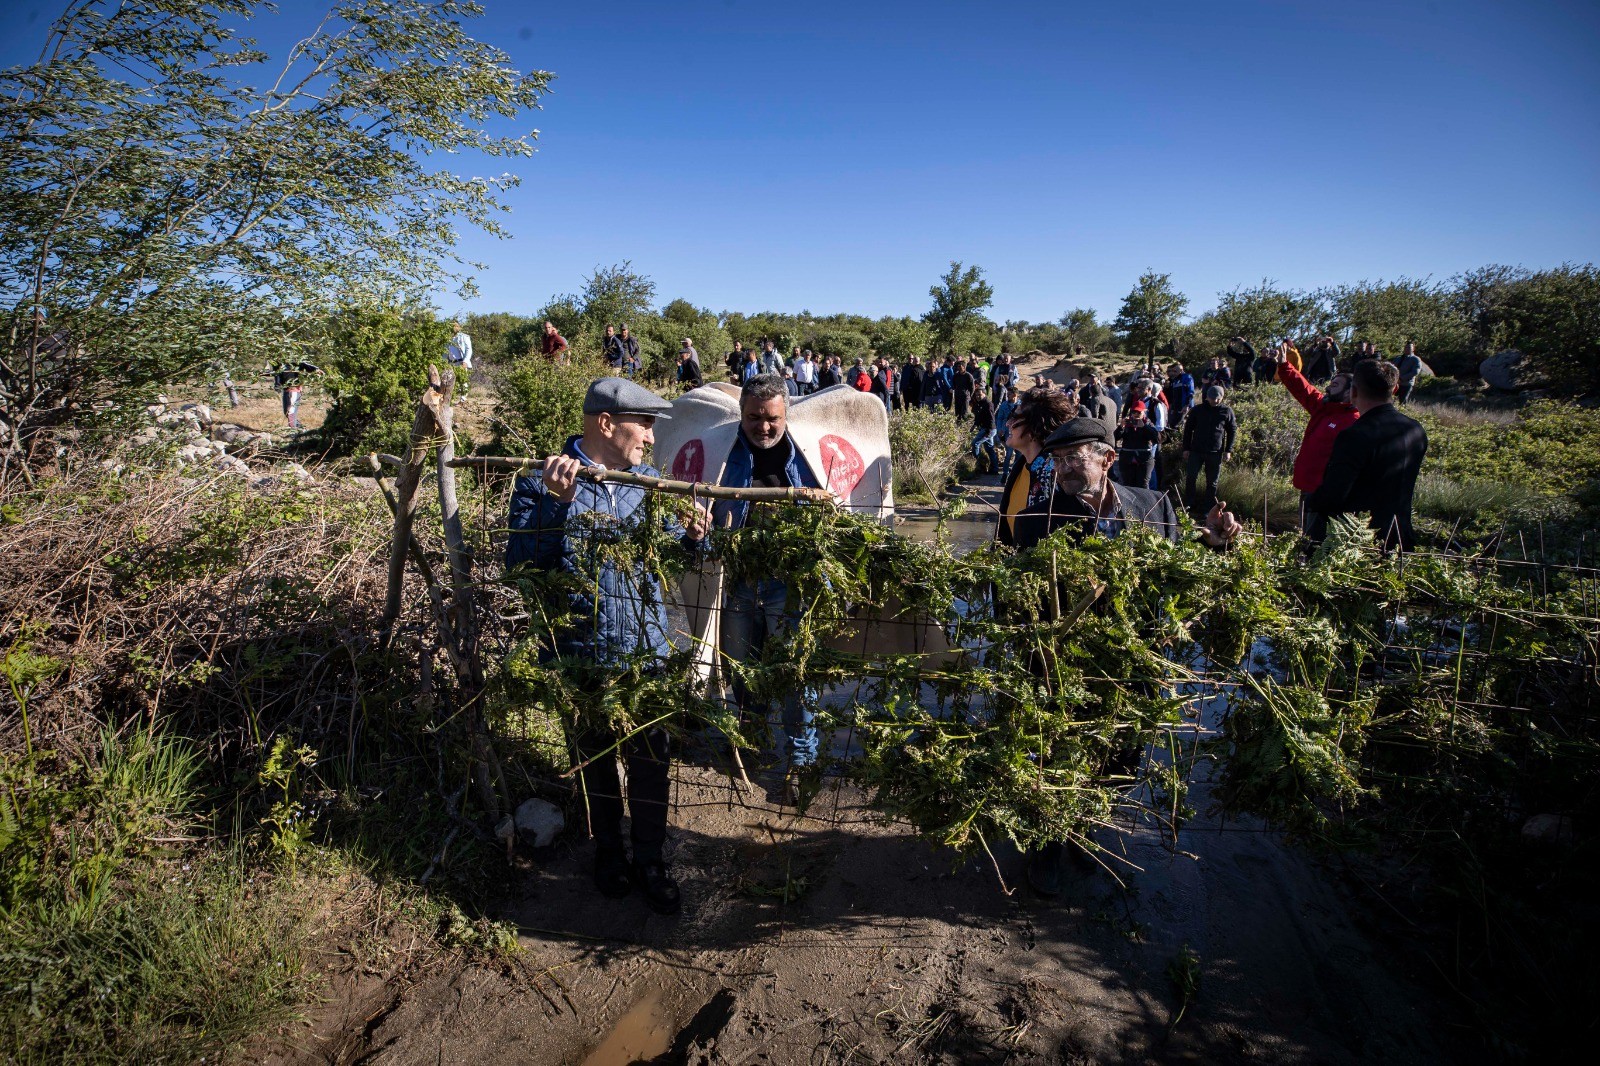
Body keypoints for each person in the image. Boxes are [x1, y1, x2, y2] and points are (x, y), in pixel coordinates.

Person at [1008, 416, 1241, 895]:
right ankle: (1046, 843)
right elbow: (1020, 602)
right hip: (1067, 667)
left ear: (1108, 459)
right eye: (1057, 460)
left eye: (1074, 459)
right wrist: (1037, 653)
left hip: (1135, 664)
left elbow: (1179, 571)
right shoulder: (1036, 522)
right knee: (1057, 754)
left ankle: (1082, 828)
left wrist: (1215, 544)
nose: (1063, 469)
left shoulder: (1154, 505)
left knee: (1119, 757)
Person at [505, 377, 711, 914]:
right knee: (594, 763)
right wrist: (559, 506)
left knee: (651, 762)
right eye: (644, 425)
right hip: (581, 654)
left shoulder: (649, 484)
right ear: (606, 424)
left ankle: (651, 860)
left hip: (647, 651)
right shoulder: (537, 484)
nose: (651, 437)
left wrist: (694, 537)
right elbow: (523, 568)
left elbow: (671, 557)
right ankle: (608, 854)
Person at [716, 375, 825, 802]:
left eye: (772, 418)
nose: (763, 427)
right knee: (743, 667)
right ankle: (753, 740)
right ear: (741, 414)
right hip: (739, 580)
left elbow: (838, 506)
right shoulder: (725, 453)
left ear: (786, 415)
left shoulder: (807, 454)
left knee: (795, 673)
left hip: (790, 583)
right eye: (754, 417)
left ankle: (800, 759)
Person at [1307, 359, 1428, 551]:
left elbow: (1335, 493)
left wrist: (1313, 502)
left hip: (1358, 539)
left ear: (1353, 392)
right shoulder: (1416, 430)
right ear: (1395, 389)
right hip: (1398, 535)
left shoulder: (1355, 435)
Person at [1269, 346, 1359, 541]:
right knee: (1306, 535)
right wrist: (1284, 365)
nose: (1328, 387)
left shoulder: (1354, 420)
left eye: (1335, 385)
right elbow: (1303, 389)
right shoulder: (1324, 408)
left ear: (1350, 393)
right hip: (1309, 487)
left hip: (1327, 493)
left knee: (1319, 539)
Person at [996, 386, 1078, 547]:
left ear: (1036, 426)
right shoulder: (1023, 465)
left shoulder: (1054, 473)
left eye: (1015, 417)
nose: (1008, 423)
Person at [1181, 385, 1236, 513]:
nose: (1215, 401)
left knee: (1212, 482)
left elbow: (1232, 431)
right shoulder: (1197, 410)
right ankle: (1188, 505)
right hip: (1196, 450)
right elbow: (1188, 430)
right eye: (1212, 398)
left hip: (1215, 452)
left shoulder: (1226, 411)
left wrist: (1228, 450)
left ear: (1222, 398)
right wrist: (1186, 448)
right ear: (1207, 397)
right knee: (1191, 478)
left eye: (1218, 399)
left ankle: (1208, 509)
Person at [1113, 402, 1161, 491]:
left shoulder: (1148, 423)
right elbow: (1115, 438)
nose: (1136, 414)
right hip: (1127, 459)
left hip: (1144, 459)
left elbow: (1157, 439)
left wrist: (1144, 427)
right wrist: (1121, 427)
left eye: (1138, 412)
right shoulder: (1127, 424)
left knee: (1143, 485)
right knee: (1128, 486)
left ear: (1144, 412)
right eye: (1134, 412)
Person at [272, 358, 320, 430]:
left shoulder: (295, 361)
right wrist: (277, 385)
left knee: (290, 411)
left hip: (294, 389)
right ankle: (298, 427)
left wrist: (316, 369)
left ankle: (293, 429)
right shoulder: (278, 363)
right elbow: (276, 374)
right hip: (286, 389)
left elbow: (305, 365)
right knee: (286, 411)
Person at [994, 385, 1020, 480]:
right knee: (1009, 453)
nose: (1007, 395)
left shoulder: (1022, 405)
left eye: (1009, 394)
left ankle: (1014, 472)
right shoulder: (1004, 405)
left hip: (1019, 433)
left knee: (1019, 454)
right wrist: (999, 429)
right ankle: (1005, 473)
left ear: (1015, 395)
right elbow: (1000, 418)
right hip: (1007, 432)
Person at [970, 390, 998, 475]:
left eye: (980, 395)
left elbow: (991, 418)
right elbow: (979, 417)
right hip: (987, 428)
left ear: (984, 394)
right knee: (989, 449)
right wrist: (974, 425)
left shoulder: (988, 404)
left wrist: (988, 431)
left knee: (975, 443)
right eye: (976, 395)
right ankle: (994, 469)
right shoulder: (981, 403)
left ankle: (978, 466)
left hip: (988, 429)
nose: (978, 397)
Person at [446, 321, 473, 394]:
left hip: (461, 362)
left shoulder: (464, 336)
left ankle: (463, 399)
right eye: (452, 326)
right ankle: (451, 398)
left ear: (459, 327)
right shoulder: (447, 338)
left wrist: (466, 361)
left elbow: (469, 349)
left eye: (456, 326)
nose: (454, 328)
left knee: (463, 381)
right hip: (450, 363)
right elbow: (445, 351)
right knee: (450, 381)